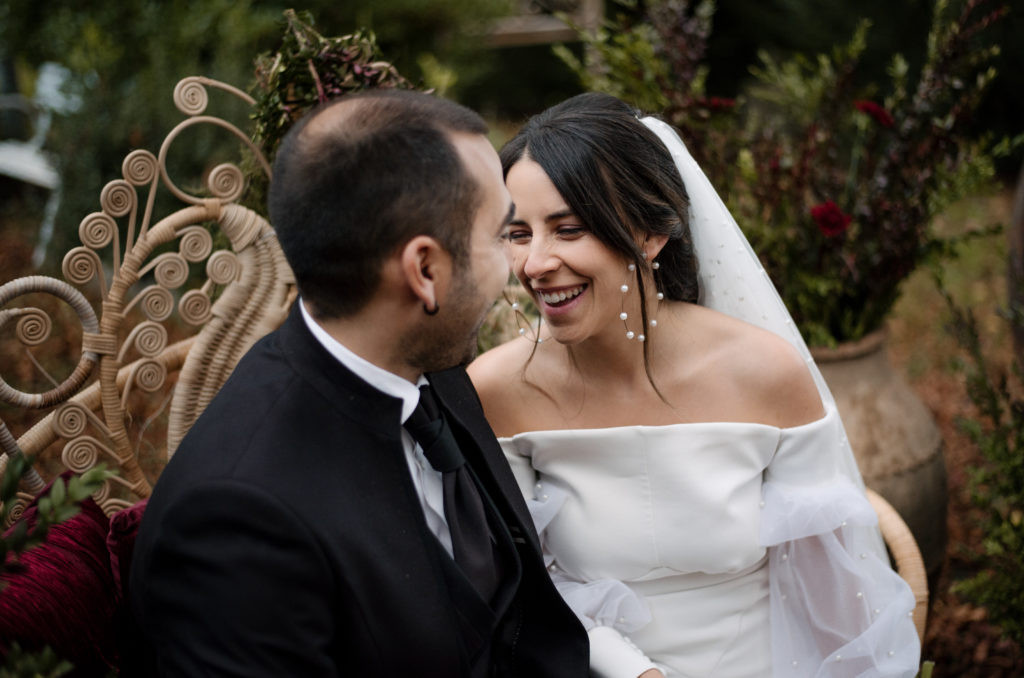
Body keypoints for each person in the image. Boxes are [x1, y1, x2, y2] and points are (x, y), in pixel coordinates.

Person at [129, 89, 589, 677]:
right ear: (425, 271)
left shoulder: (429, 359)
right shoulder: (237, 524)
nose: (517, 267)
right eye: (502, 235)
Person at [468, 92, 922, 678]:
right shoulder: (499, 390)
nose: (535, 264)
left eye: (569, 228)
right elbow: (521, 586)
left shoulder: (765, 374)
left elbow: (837, 603)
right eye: (518, 233)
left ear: (651, 234)